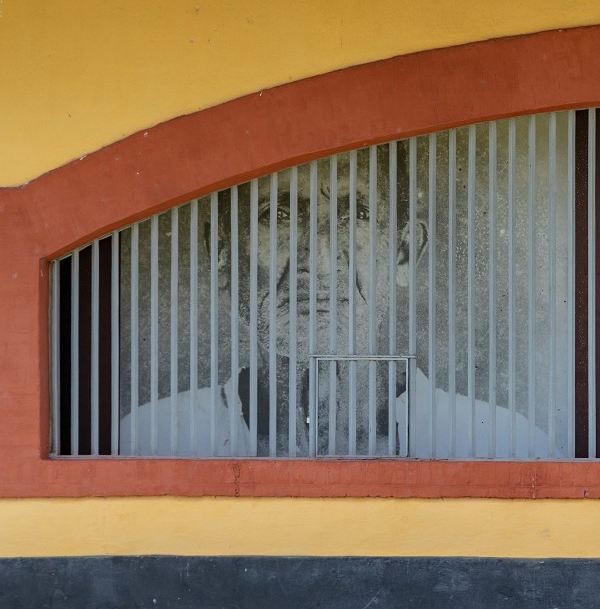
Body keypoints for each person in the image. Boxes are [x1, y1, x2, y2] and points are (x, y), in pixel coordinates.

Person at [118, 142, 565, 459]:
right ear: (224, 256)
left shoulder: (502, 443)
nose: (321, 259)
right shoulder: (155, 437)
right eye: (278, 215)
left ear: (404, 252)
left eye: (358, 215)